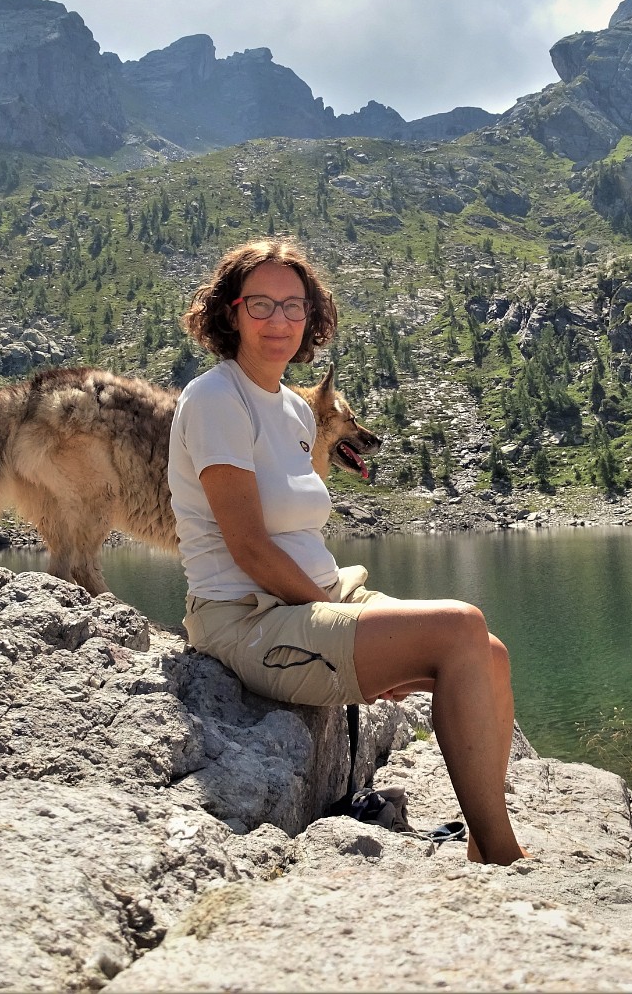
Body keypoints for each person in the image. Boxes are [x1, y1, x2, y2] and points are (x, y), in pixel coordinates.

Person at [169, 238, 525, 866]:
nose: (279, 320)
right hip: (246, 618)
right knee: (460, 625)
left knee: (488, 652)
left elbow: (295, 533)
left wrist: (354, 628)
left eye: (293, 305)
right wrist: (351, 628)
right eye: (261, 304)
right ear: (229, 313)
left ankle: (480, 836)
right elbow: (249, 547)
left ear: (311, 316)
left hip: (314, 597)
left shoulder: (294, 410)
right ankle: (502, 855)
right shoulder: (215, 399)